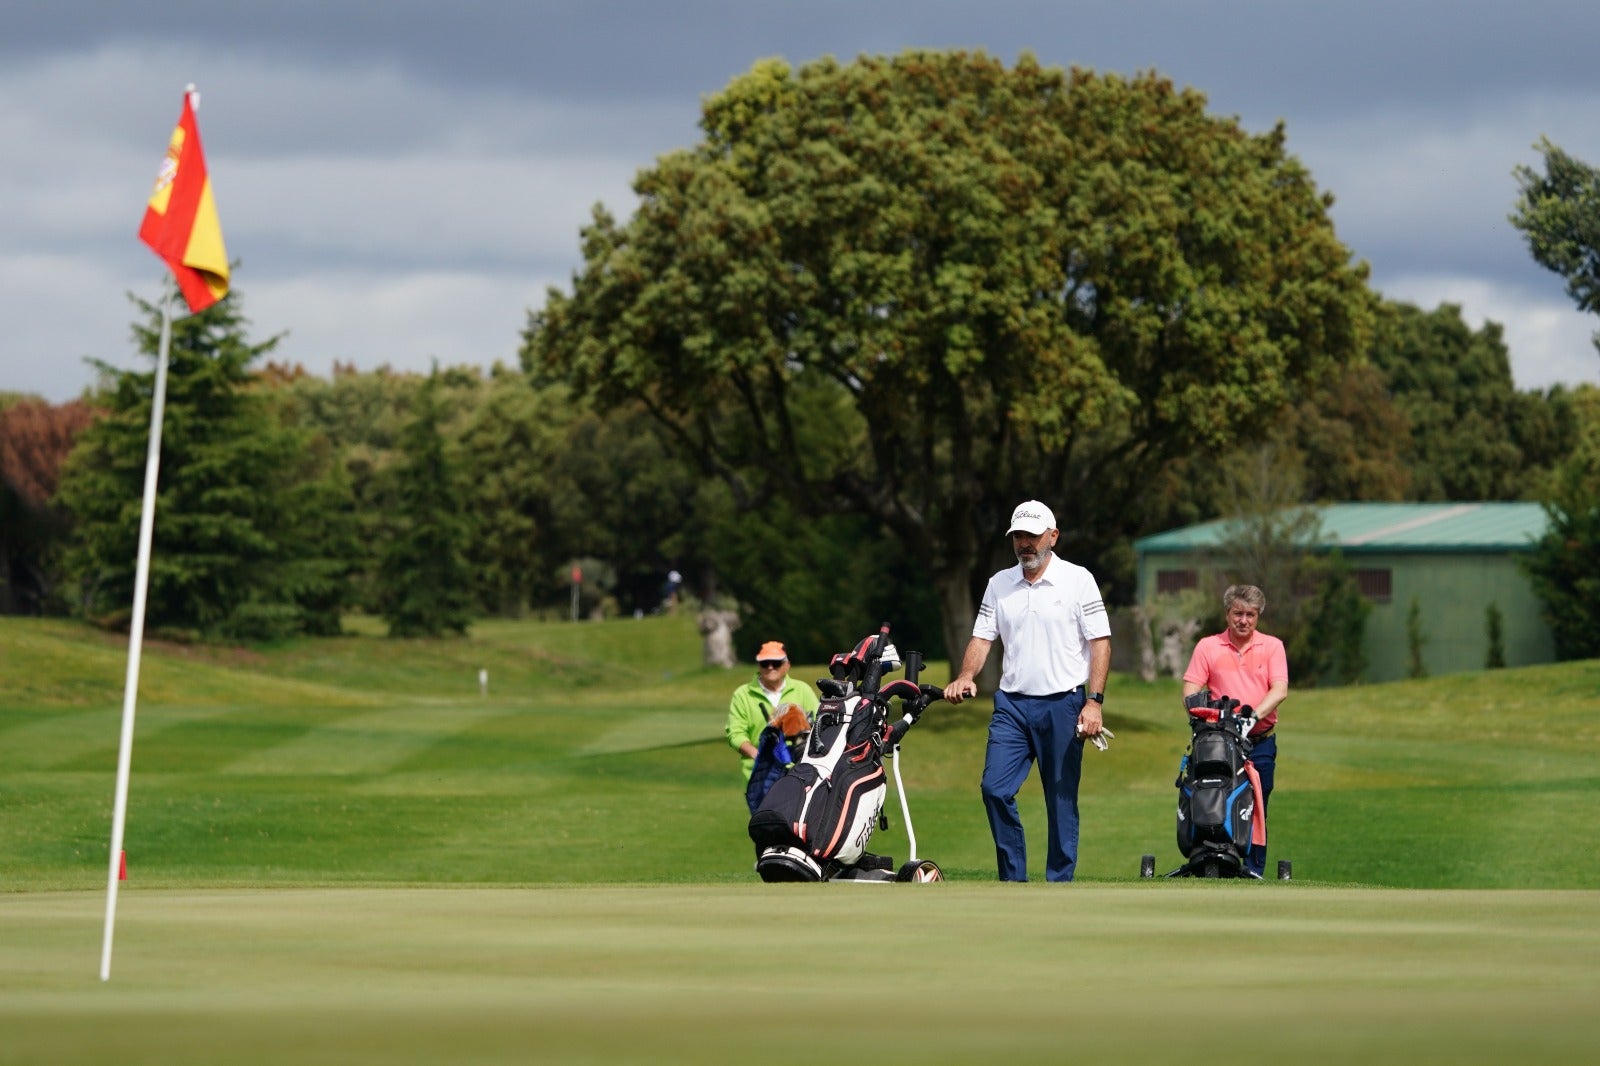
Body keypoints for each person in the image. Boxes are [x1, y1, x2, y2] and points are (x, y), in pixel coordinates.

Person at [943, 500, 1112, 882]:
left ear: (1053, 536)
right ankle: (1013, 882)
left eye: (1033, 536)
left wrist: (1094, 701)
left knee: (1060, 801)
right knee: (994, 789)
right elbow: (982, 637)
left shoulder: (1078, 579)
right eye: (1019, 536)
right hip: (1012, 707)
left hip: (1065, 704)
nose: (1025, 544)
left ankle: (1058, 883)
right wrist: (966, 674)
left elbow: (1100, 643)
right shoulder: (999, 584)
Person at [1181, 583, 1289, 878]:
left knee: (1257, 803)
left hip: (1259, 741)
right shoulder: (1208, 646)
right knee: (1212, 794)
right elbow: (1191, 687)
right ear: (1227, 613)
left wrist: (1251, 718)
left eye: (1250, 615)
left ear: (1258, 616)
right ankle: (1209, 857)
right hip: (1219, 739)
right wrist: (1202, 712)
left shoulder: (1272, 647)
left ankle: (1253, 868)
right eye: (1238, 613)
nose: (1244, 620)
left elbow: (1279, 689)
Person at [725, 640, 819, 784]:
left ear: (787, 665)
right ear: (758, 665)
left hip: (799, 772)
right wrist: (759, 756)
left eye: (776, 663)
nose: (770, 667)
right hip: (760, 775)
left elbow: (819, 724)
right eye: (765, 663)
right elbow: (735, 734)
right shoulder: (742, 694)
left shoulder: (802, 690)